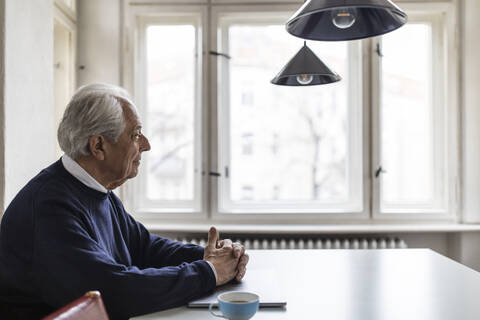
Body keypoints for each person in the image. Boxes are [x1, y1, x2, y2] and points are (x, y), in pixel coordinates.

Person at [0, 83, 249, 320]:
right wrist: (209, 271)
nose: (146, 145)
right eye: (136, 134)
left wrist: (214, 256)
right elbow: (114, 291)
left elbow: (143, 248)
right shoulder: (50, 208)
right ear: (98, 145)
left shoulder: (95, 189)